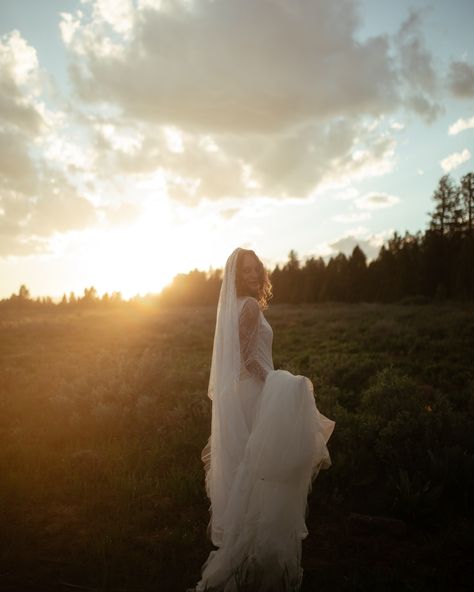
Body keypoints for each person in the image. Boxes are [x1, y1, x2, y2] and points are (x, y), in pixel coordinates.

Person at [191, 247, 335, 592]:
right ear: (236, 276)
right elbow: (246, 361)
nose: (255, 276)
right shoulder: (251, 307)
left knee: (249, 468)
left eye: (257, 270)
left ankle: (245, 553)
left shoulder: (233, 307)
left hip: (242, 394)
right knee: (261, 472)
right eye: (247, 271)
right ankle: (254, 557)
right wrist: (282, 381)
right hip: (255, 392)